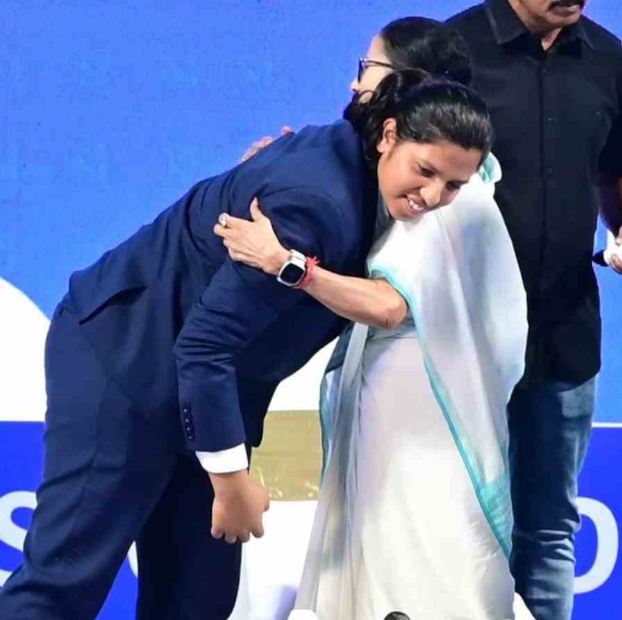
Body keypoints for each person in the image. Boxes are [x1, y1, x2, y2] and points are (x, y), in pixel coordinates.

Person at [0, 64, 494, 619]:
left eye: (453, 185)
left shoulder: (361, 169)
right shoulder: (317, 205)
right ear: (388, 135)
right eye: (424, 171)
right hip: (124, 362)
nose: (432, 195)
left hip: (206, 395)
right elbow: (204, 345)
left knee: (198, 599)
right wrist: (231, 484)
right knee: (64, 581)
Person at [216, 41, 532, 620]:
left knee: (415, 558)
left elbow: (389, 307)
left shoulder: (446, 205)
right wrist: (280, 167)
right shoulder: (439, 182)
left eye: (374, 71)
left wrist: (288, 263)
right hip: (405, 408)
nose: (359, 85)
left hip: (421, 418)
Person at [444, 2, 622, 617]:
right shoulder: (453, 51)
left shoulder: (610, 59)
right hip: (462, 337)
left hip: (565, 336)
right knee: (454, 524)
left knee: (548, 530)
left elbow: (614, 176)